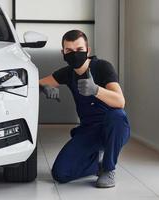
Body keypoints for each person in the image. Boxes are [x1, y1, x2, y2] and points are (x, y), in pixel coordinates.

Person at [39, 30, 131, 188]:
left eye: (79, 50)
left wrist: (96, 90)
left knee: (116, 116)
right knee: (60, 173)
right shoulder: (67, 73)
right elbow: (37, 82)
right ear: (63, 53)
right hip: (89, 130)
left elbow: (120, 101)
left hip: (113, 128)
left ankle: (109, 169)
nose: (74, 54)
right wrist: (45, 88)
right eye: (69, 51)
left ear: (87, 51)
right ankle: (98, 164)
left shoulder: (102, 67)